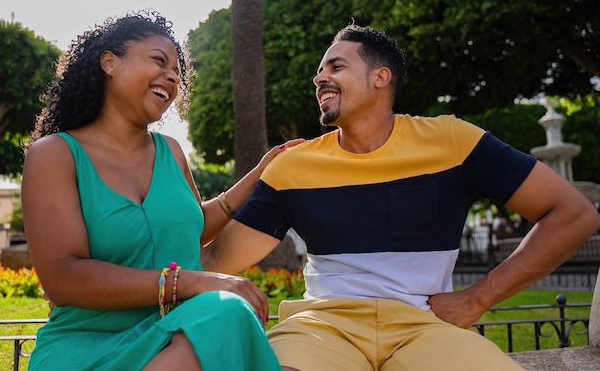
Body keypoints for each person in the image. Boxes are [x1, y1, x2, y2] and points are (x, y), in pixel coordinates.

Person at [202, 24, 600, 370]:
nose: (320, 78)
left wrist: (478, 298)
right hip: (321, 327)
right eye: (319, 71)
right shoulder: (292, 166)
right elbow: (219, 260)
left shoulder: (453, 141)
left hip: (425, 327)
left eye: (336, 66)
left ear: (380, 77)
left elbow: (574, 213)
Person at [21, 10, 300, 371]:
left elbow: (192, 229)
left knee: (226, 315)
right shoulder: (55, 154)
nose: (172, 76)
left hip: (175, 335)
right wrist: (190, 282)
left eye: (177, 72)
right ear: (109, 62)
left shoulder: (170, 151)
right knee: (226, 310)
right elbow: (63, 278)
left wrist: (262, 173)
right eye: (159, 60)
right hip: (88, 348)